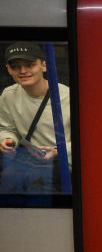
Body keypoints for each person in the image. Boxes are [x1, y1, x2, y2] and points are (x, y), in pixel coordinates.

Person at [0, 42, 71, 194]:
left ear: (44, 66)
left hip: (63, 164)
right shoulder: (8, 95)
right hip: (28, 162)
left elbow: (88, 143)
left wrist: (58, 151)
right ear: (8, 70)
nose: (23, 71)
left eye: (30, 65)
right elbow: (6, 127)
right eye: (16, 67)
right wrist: (7, 140)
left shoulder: (68, 97)